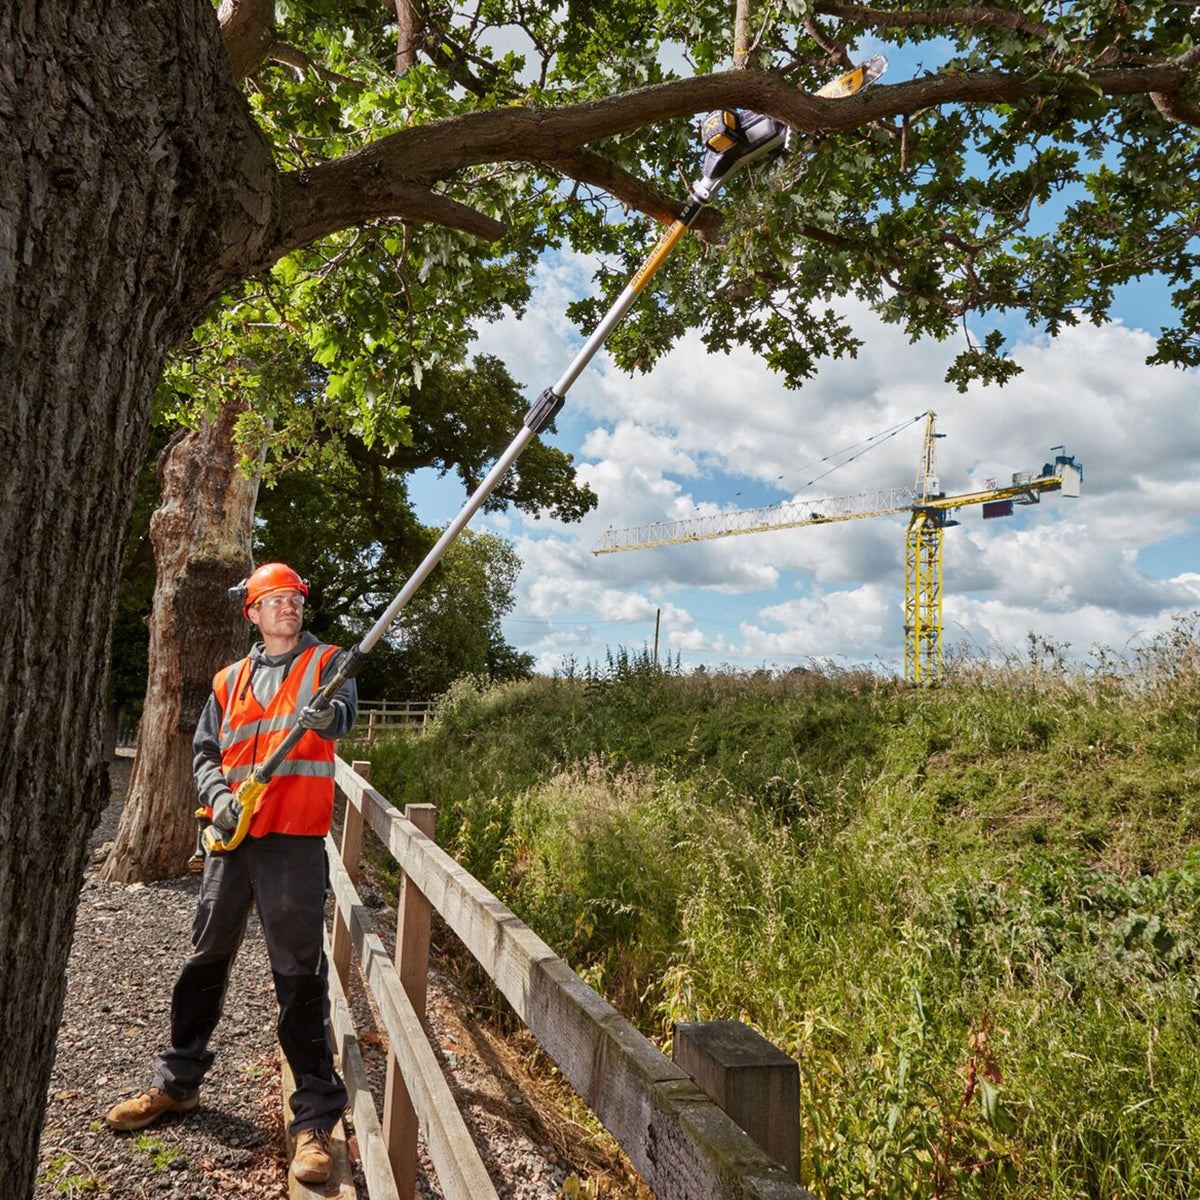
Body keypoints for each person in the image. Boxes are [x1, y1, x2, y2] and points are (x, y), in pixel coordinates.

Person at [106, 562, 358, 1186]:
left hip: (293, 841)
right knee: (204, 960)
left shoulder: (328, 664)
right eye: (275, 600)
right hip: (233, 839)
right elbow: (205, 752)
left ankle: (313, 1120)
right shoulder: (228, 680)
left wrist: (324, 717)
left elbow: (342, 719)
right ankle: (177, 1083)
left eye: (295, 598)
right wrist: (218, 798)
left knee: (298, 973)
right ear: (252, 612)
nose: (288, 607)